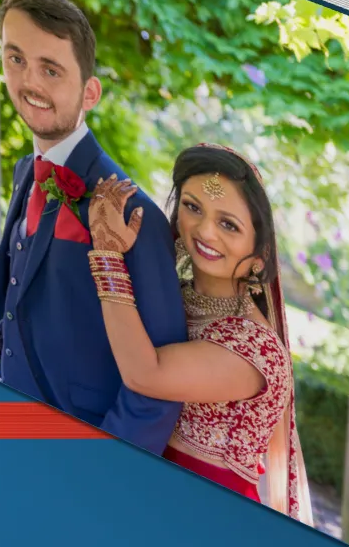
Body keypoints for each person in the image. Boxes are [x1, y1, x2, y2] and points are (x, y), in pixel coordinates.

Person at [0, 0, 187, 454]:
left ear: (90, 92)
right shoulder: (26, 172)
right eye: (15, 59)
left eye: (51, 69)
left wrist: (100, 472)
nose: (29, 82)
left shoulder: (136, 215)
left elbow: (158, 389)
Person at [85, 144, 314, 522]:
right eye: (193, 207)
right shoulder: (170, 297)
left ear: (259, 256)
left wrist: (108, 255)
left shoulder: (256, 348)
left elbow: (146, 373)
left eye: (229, 224)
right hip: (138, 493)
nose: (205, 231)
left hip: (204, 523)